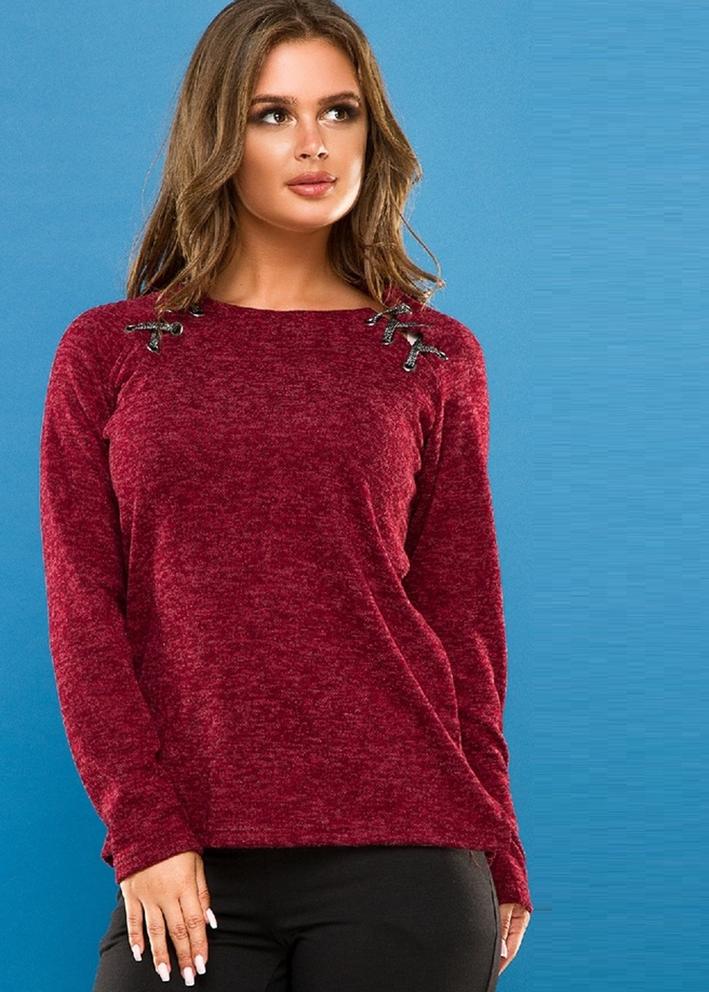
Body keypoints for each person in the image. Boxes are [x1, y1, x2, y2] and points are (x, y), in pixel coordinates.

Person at [38, 2, 533, 989]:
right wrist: (144, 828)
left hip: (409, 854)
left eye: (339, 111)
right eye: (272, 114)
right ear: (218, 136)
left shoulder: (431, 357)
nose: (314, 144)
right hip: (186, 855)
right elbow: (85, 608)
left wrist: (499, 841)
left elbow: (462, 618)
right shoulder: (110, 351)